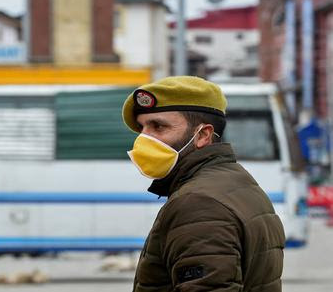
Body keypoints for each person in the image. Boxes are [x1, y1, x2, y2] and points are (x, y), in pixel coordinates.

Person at [122, 76, 285, 292]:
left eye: (158, 126)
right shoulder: (237, 183)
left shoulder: (199, 203)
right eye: (142, 128)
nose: (144, 139)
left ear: (203, 135)